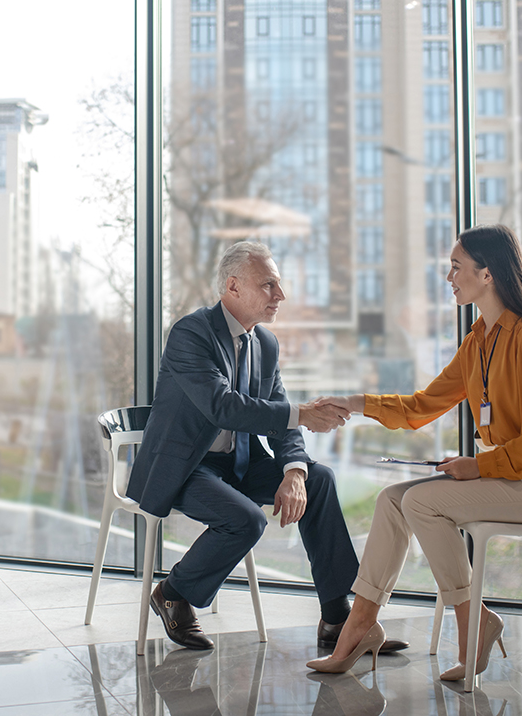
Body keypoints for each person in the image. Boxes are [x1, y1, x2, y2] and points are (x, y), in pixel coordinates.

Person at [304, 224, 522, 679]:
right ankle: (360, 624)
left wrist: (479, 465)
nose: (448, 277)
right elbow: (421, 406)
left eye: (456, 267)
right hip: (512, 476)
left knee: (421, 501)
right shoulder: (479, 342)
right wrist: (355, 404)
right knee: (393, 499)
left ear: (487, 273)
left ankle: (472, 623)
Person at [126, 241, 409, 656]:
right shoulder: (191, 333)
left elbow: (279, 414)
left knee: (320, 480)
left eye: (279, 285)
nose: (281, 295)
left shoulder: (266, 345)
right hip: (186, 466)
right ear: (233, 286)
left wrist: (295, 471)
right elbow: (222, 407)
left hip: (237, 463)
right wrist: (302, 415)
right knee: (244, 519)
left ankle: (337, 617)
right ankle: (173, 592)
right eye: (270, 285)